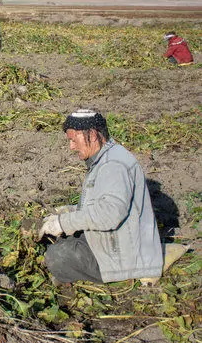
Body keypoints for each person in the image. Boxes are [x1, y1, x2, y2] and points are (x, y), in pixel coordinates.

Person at [38, 109, 163, 284]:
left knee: (56, 256)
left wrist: (63, 223)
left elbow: (109, 214)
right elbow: (103, 204)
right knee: (57, 241)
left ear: (93, 135)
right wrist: (69, 211)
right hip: (115, 243)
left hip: (123, 257)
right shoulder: (105, 158)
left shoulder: (113, 165)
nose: (71, 147)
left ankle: (87, 277)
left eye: (74, 140)